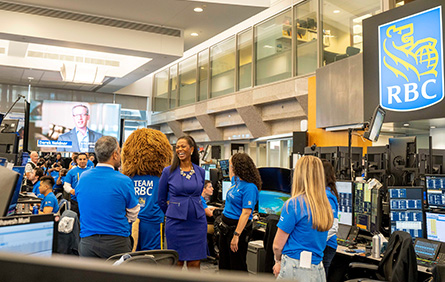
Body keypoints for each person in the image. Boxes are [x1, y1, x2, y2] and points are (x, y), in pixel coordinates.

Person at [76, 136, 140, 259]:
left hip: (87, 242)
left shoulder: (83, 178)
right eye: (119, 151)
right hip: (117, 243)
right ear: (115, 155)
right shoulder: (123, 181)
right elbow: (133, 213)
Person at [272, 156, 334, 282]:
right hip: (318, 269)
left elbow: (277, 246)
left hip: (295, 268)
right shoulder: (325, 205)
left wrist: (278, 261)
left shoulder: (294, 204)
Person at [157, 135, 207, 269]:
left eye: (183, 146)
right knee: (176, 263)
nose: (180, 149)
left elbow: (197, 195)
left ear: (191, 149)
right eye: (177, 147)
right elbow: (161, 199)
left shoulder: (200, 172)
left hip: (197, 223)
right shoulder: (168, 171)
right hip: (176, 224)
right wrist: (172, 213)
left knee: (195, 263)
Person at [121, 128, 172, 251]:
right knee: (152, 257)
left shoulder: (126, 179)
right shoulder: (162, 179)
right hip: (153, 221)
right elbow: (168, 203)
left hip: (130, 220)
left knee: (131, 254)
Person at [218, 152, 261, 271]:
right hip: (225, 228)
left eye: (231, 165)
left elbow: (246, 213)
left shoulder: (250, 188)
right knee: (224, 265)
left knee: (237, 265)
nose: (229, 168)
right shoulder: (235, 181)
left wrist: (236, 236)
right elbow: (230, 174)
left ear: (238, 167)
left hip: (237, 230)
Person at [322, 160, 339, 277]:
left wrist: (316, 239)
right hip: (322, 242)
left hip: (327, 244)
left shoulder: (328, 195)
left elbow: (332, 226)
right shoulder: (323, 192)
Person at [64, 152, 90, 217]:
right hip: (75, 202)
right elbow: (66, 185)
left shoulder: (91, 171)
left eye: (84, 159)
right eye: (80, 159)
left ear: (87, 160)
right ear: (77, 160)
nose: (82, 161)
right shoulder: (71, 171)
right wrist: (71, 190)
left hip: (88, 201)